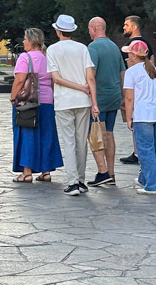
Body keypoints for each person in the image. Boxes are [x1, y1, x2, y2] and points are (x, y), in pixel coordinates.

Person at [46, 14, 98, 196]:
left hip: (64, 101)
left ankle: (73, 182)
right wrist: (93, 100)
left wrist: (79, 88)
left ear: (58, 31)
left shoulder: (52, 50)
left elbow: (56, 79)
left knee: (68, 141)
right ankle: (81, 180)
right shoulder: (82, 48)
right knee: (81, 142)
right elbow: (90, 77)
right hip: (83, 101)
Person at [10, 28, 63, 183]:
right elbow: (53, 80)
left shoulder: (25, 58)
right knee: (46, 134)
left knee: (27, 134)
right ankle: (46, 171)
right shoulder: (48, 57)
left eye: (25, 39)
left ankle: (26, 172)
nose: (23, 41)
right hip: (47, 100)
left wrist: (13, 97)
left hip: (29, 101)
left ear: (32, 41)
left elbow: (20, 80)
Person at [122, 40, 156, 194]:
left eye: (129, 52)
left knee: (144, 150)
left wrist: (129, 118)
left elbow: (129, 98)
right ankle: (144, 179)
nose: (127, 55)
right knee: (153, 149)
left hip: (143, 116)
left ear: (134, 55)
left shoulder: (131, 72)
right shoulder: (154, 70)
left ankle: (152, 185)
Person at [86, 17, 127, 186]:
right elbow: (122, 73)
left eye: (89, 28)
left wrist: (92, 100)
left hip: (100, 96)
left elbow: (91, 75)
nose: (89, 32)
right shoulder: (114, 47)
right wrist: (123, 96)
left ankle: (102, 172)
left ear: (94, 28)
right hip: (114, 96)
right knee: (109, 133)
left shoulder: (93, 48)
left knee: (94, 133)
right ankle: (111, 172)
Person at [121, 15, 155, 165]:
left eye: (126, 25)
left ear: (135, 27)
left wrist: (126, 94)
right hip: (149, 91)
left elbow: (132, 70)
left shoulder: (133, 46)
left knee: (136, 122)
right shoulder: (147, 44)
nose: (124, 27)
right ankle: (141, 152)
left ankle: (138, 153)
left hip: (137, 91)